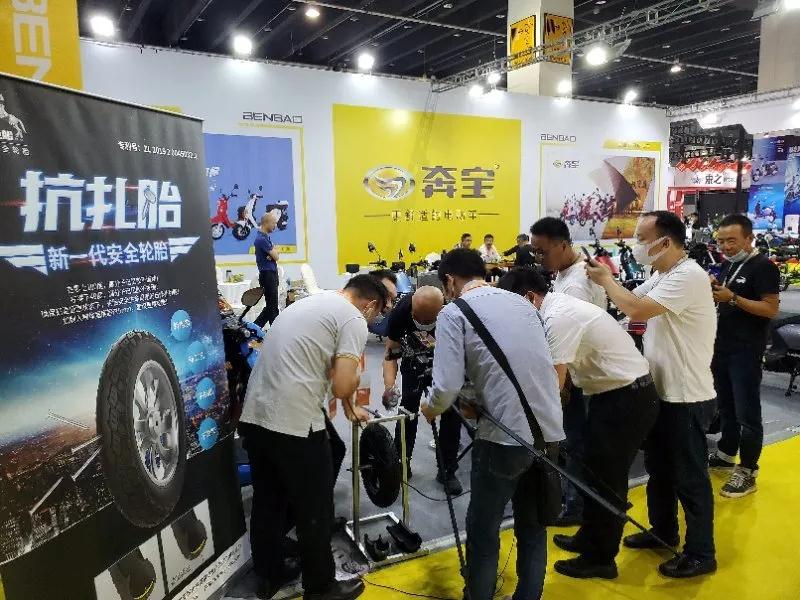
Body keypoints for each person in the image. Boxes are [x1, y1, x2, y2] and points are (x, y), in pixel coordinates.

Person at [421, 249, 564, 600]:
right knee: (533, 528)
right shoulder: (523, 304)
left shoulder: (454, 312)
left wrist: (430, 407)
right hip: (548, 432)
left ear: (449, 280)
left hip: (503, 439)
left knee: (483, 531)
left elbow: (446, 386)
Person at [498, 268, 658, 580]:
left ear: (529, 297)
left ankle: (601, 558)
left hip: (627, 397)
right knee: (593, 472)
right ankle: (589, 537)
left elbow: (553, 384)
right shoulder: (555, 309)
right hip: (609, 394)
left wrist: (526, 422)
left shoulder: (558, 317)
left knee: (608, 481)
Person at [239, 275, 389, 600]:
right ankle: (321, 588)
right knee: (315, 507)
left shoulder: (310, 303)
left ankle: (270, 573)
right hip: (295, 423)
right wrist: (354, 382)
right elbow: (342, 384)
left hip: (256, 416)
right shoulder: (353, 318)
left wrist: (349, 405)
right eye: (376, 316)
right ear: (370, 305)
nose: (372, 322)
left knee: (268, 501)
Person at [586, 210, 718, 579]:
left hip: (687, 396)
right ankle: (663, 531)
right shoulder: (662, 274)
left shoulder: (689, 276)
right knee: (660, 470)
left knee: (690, 477)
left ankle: (701, 552)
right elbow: (628, 303)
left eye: (643, 239)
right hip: (662, 391)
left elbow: (635, 308)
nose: (637, 245)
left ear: (665, 242)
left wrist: (607, 279)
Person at [530, 217, 606, 528]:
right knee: (576, 443)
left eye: (542, 251)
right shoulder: (565, 273)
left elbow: (567, 339)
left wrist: (558, 388)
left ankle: (577, 506)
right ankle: (577, 500)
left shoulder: (577, 283)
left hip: (580, 375)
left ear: (562, 245)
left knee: (578, 444)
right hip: (577, 370)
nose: (539, 258)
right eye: (534, 252)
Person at [709, 214, 780, 498]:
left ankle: (748, 470)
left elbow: (770, 309)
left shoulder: (764, 267)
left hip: (746, 351)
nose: (726, 246)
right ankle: (726, 454)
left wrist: (733, 298)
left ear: (749, 238)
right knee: (726, 407)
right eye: (721, 241)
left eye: (732, 240)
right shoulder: (728, 264)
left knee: (747, 413)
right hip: (722, 346)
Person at [382, 286, 464, 494]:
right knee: (407, 412)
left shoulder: (452, 314)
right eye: (418, 318)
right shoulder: (400, 313)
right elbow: (391, 353)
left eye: (428, 321)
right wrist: (390, 386)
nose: (423, 323)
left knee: (451, 413)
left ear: (441, 310)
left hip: (444, 363)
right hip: (413, 362)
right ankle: (402, 461)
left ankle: (447, 469)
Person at [254, 212, 280, 328]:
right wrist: (273, 253)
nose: (275, 226)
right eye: (274, 223)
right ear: (266, 223)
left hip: (270, 274)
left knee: (271, 306)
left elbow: (275, 253)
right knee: (272, 307)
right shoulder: (261, 239)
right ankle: (276, 331)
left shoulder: (265, 238)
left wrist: (273, 253)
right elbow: (277, 256)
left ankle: (255, 328)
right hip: (268, 275)